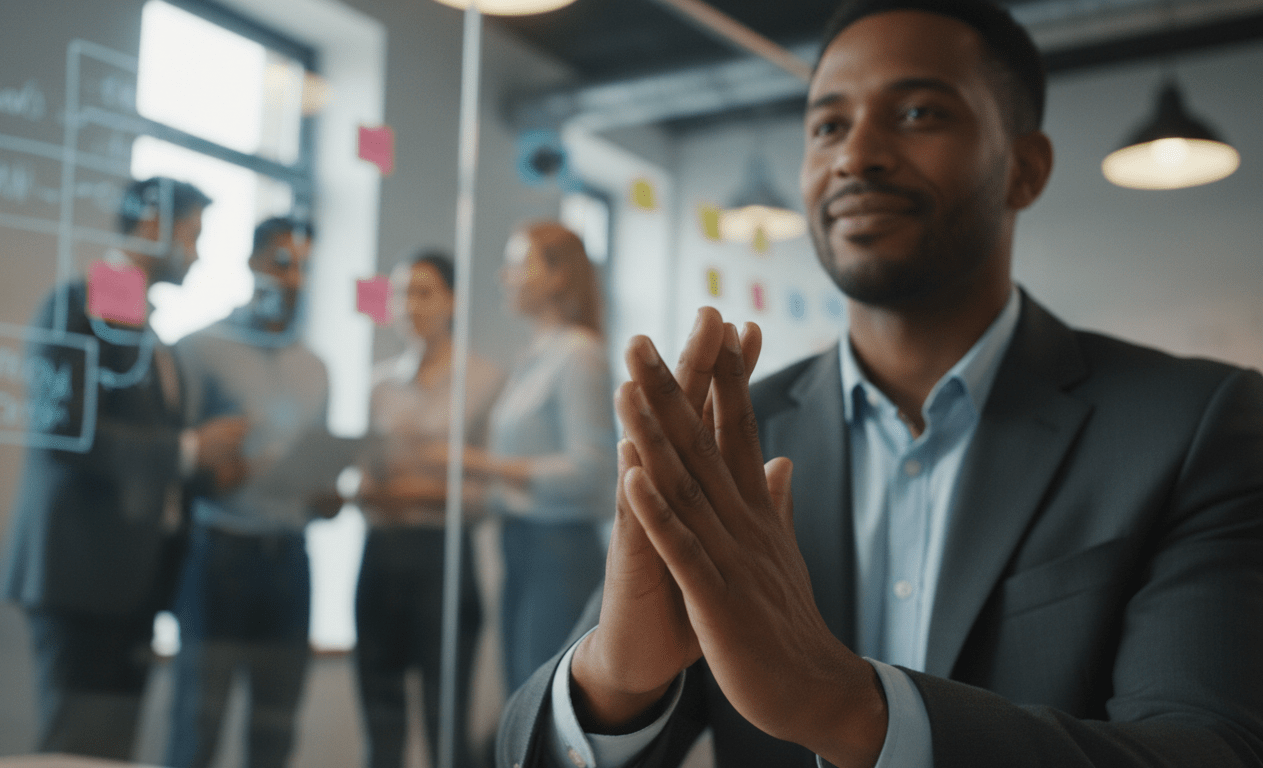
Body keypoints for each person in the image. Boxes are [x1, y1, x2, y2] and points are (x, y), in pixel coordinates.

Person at [496, 2, 1263, 768]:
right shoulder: (735, 436)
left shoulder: (1195, 427)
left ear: (1024, 170)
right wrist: (615, 681)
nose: (856, 155)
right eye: (827, 126)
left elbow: (1208, 750)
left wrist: (844, 704)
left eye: (919, 113)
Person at [0, 176, 248, 759]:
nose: (198, 253)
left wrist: (212, 466)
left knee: (109, 753)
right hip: (82, 577)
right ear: (153, 225)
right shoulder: (75, 305)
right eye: (193, 234)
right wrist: (190, 451)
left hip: (134, 583)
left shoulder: (143, 324)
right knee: (77, 753)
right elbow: (64, 434)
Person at [165, 217, 339, 768]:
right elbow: (172, 461)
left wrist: (327, 496)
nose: (294, 279)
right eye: (282, 263)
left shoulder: (317, 368)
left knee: (276, 729)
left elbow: (318, 478)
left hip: (289, 561)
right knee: (198, 723)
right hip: (217, 556)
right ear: (254, 264)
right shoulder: (198, 350)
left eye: (305, 267)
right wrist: (215, 472)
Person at [354, 250, 505, 768]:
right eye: (400, 292)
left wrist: (416, 490)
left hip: (443, 556)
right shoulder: (378, 385)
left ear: (452, 301)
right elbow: (369, 477)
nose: (408, 304)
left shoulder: (484, 379)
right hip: (380, 554)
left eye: (423, 291)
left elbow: (490, 489)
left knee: (446, 722)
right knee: (380, 719)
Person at [459, 222, 616, 696]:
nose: (503, 276)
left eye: (515, 263)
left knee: (545, 702)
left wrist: (480, 464)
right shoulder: (535, 357)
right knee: (522, 695)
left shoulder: (579, 354)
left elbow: (593, 471)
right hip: (523, 542)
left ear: (557, 276)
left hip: (561, 550)